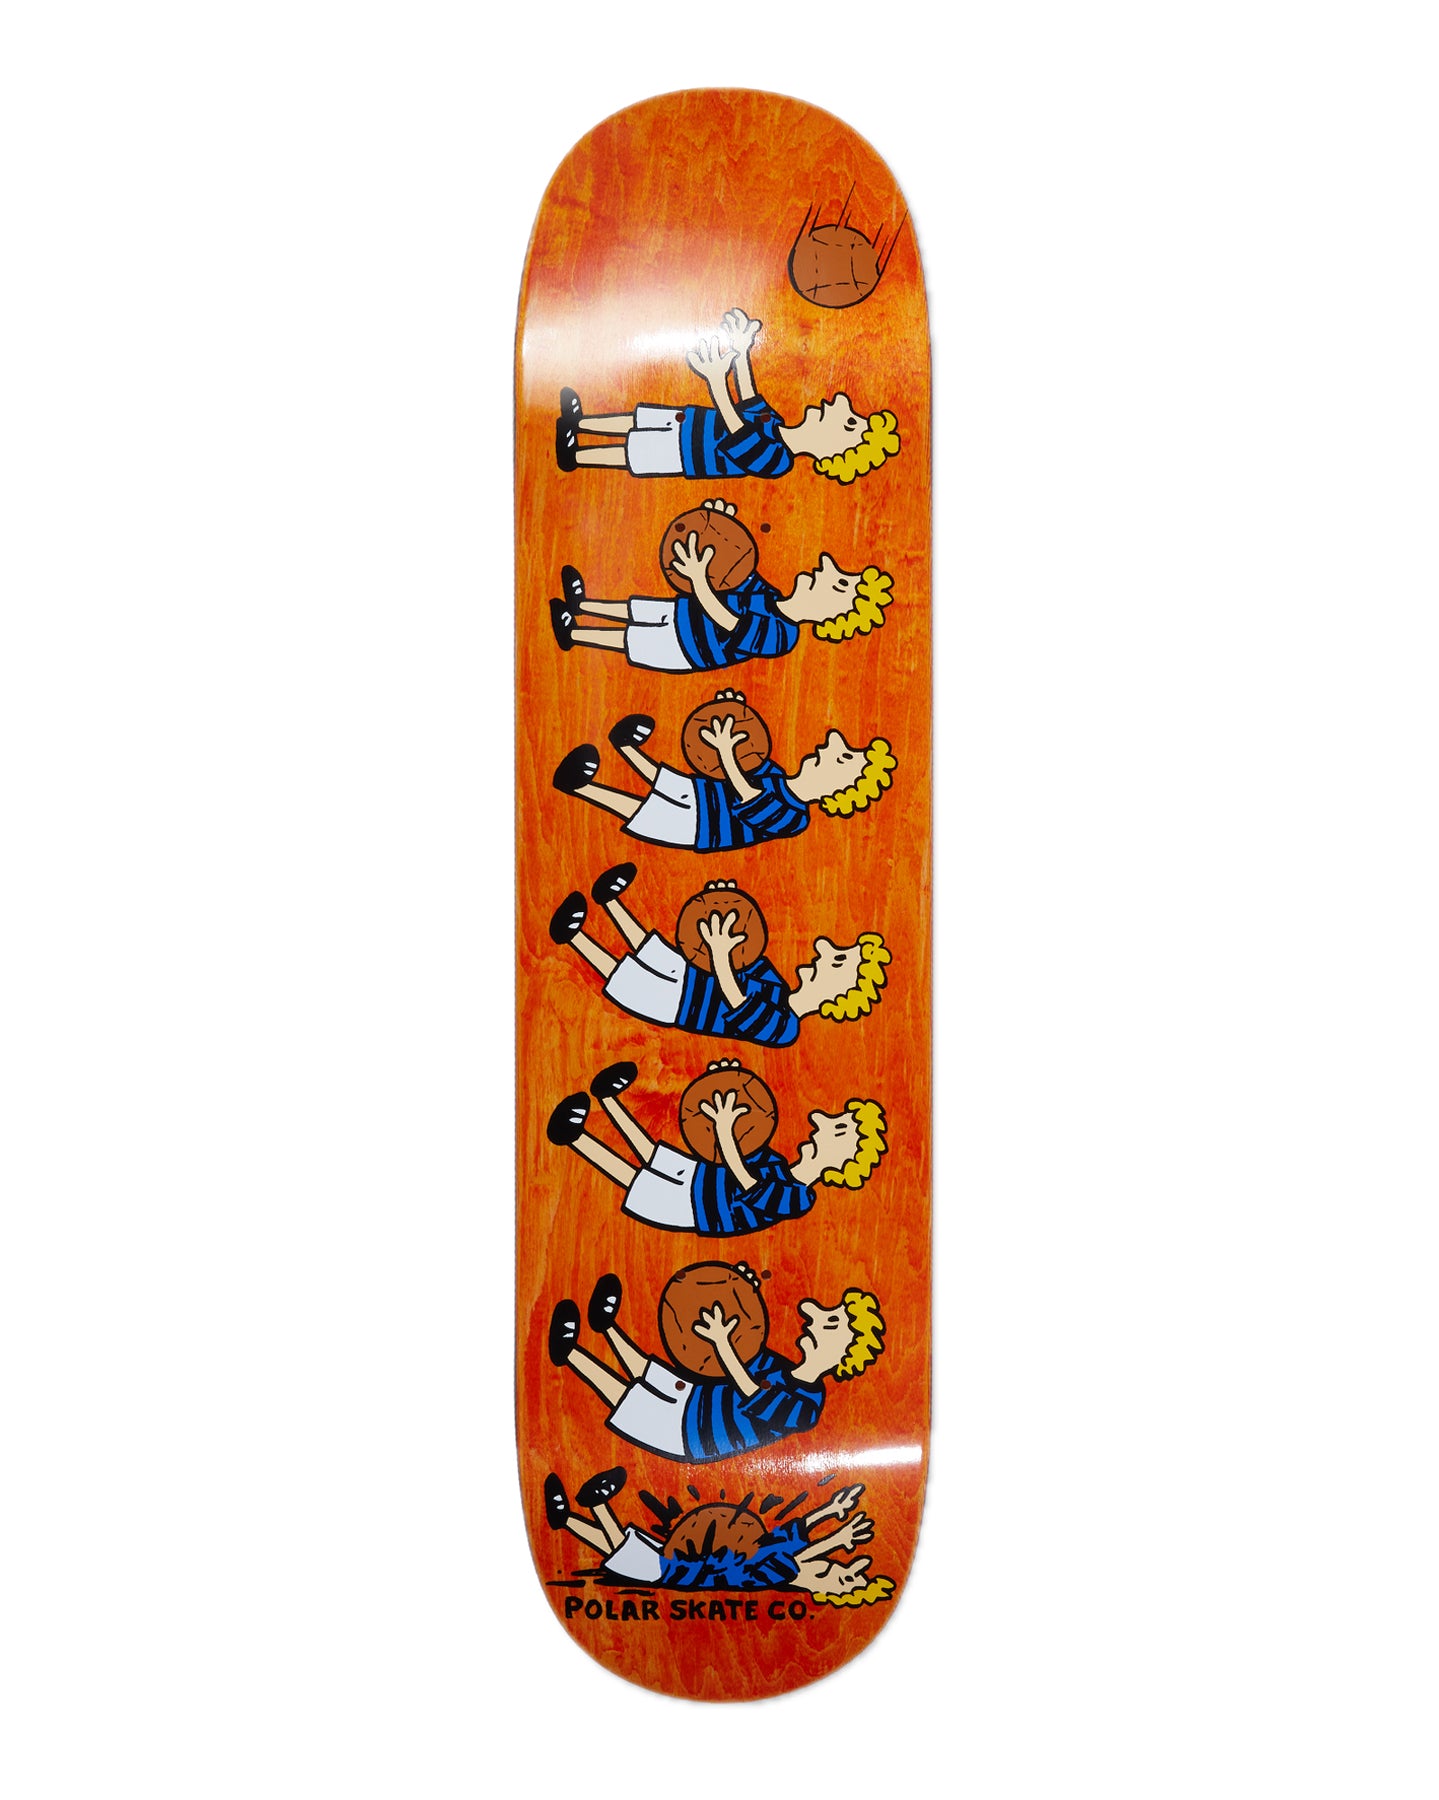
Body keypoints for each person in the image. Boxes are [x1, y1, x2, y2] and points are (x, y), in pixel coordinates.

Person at [547, 1268, 885, 1463]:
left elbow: (752, 1394)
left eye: (830, 1323)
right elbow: (748, 1349)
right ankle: (606, 1327)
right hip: (699, 1397)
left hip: (689, 1435)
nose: (812, 1314)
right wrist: (740, 1295)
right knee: (651, 1373)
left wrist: (722, 1343)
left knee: (629, 1399)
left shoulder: (807, 1408)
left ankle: (571, 1354)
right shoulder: (781, 1366)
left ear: (845, 1354)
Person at [548, 868, 890, 1049]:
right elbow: (743, 953)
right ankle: (610, 901)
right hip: (692, 977)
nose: (824, 949)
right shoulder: (776, 983)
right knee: (653, 950)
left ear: (839, 997)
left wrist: (720, 954)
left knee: (626, 977)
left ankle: (574, 937)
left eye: (838, 960)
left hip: (678, 1007)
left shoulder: (785, 1028)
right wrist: (722, 904)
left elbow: (737, 1002)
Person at [553, 308, 899, 485]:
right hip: (691, 422)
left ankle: (577, 456)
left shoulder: (779, 461)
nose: (837, 405)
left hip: (685, 454)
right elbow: (748, 398)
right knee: (637, 419)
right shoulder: (776, 424)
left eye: (848, 423)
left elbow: (739, 431)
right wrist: (741, 350)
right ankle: (578, 423)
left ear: (833, 452)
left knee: (633, 451)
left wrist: (717, 383)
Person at [546, 1057, 887, 1236]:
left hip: (696, 1209)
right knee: (652, 1154)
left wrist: (725, 1132)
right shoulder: (778, 1163)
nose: (819, 1120)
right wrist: (723, 1086)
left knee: (634, 1179)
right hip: (703, 1177)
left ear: (845, 1163)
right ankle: (608, 1099)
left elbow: (749, 1185)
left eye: (838, 1128)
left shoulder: (799, 1198)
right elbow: (743, 1143)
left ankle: (575, 1138)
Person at [549, 497, 893, 671]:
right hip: (685, 612)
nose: (825, 569)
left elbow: (730, 623)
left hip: (685, 647)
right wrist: (717, 527)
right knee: (637, 610)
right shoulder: (770, 596)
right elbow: (737, 572)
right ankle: (583, 606)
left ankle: (575, 633)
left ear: (830, 618)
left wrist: (699, 580)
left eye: (838, 584)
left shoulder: (782, 636)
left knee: (630, 638)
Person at [552, 688, 896, 853]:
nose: (830, 745)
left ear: (840, 792)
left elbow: (749, 796)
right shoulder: (777, 774)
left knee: (643, 810)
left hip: (701, 828)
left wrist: (726, 752)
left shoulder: (795, 818)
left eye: (843, 758)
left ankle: (580, 788)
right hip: (705, 795)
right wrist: (734, 712)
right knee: (667, 782)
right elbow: (750, 760)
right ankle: (625, 747)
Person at [543, 1464, 893, 1603]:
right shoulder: (778, 1559)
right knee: (619, 1548)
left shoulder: (774, 1573)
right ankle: (566, 1520)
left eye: (833, 1576)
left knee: (620, 1546)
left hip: (671, 1572)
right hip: (675, 1561)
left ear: (820, 1589)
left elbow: (800, 1555)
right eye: (835, 1566)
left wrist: (837, 1539)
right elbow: (793, 1534)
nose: (827, 1565)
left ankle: (597, 1505)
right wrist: (830, 1511)